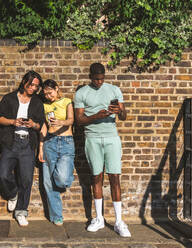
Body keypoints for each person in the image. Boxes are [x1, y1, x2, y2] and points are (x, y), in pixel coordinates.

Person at [74, 62, 131, 237]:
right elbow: (79, 120)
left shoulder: (114, 90)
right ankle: (99, 218)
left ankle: (119, 221)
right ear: (90, 77)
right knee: (96, 177)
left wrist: (118, 110)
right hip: (92, 139)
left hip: (112, 138)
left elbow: (124, 116)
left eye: (102, 78)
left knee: (114, 177)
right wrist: (96, 116)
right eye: (96, 79)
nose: (99, 82)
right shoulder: (81, 92)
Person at [0, 70, 44, 226]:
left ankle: (21, 211)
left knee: (26, 179)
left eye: (36, 86)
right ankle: (12, 193)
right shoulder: (9, 98)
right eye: (32, 85)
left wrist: (33, 124)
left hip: (28, 143)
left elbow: (41, 124)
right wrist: (12, 122)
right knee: (2, 175)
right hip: (11, 141)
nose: (34, 88)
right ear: (25, 82)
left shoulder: (37, 102)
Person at [38, 79, 75, 226]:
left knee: (61, 179)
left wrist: (61, 122)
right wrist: (41, 147)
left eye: (50, 92)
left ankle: (65, 178)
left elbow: (71, 120)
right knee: (48, 183)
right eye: (45, 94)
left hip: (66, 142)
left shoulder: (67, 101)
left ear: (57, 89)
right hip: (49, 143)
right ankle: (57, 216)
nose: (48, 96)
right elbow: (43, 127)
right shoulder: (45, 105)